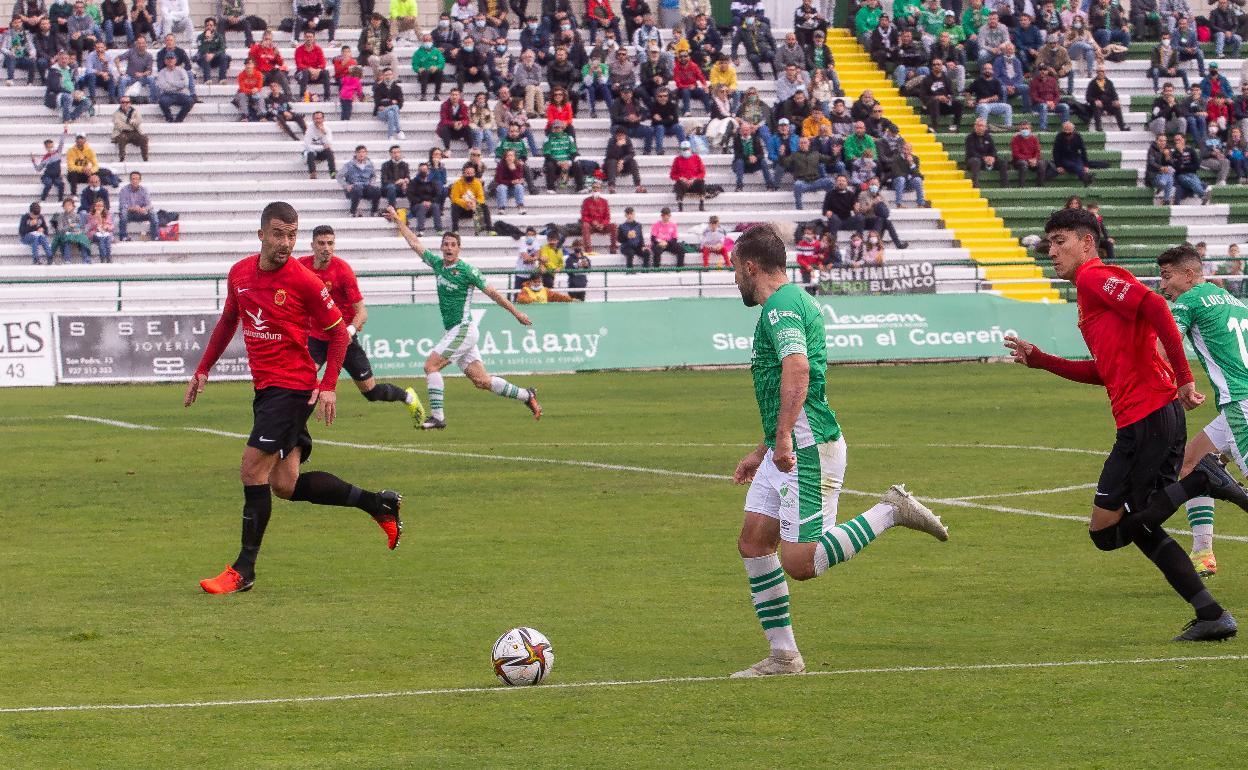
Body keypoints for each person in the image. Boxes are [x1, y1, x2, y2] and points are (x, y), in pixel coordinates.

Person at [1004, 208, 1245, 641]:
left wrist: (1184, 377)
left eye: (1060, 241)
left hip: (1148, 417)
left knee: (1115, 529)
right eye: (1049, 244)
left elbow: (1154, 305)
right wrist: (1041, 360)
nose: (1051, 252)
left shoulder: (1095, 277)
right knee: (1129, 526)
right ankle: (1210, 614)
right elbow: (1105, 371)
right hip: (1147, 417)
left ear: (1087, 243)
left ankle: (1203, 480)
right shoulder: (1092, 291)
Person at [729, 223, 947, 677]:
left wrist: (783, 439)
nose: (734, 279)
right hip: (787, 445)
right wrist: (764, 447)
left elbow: (798, 369)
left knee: (801, 562)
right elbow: (786, 382)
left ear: (750, 267)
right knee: (754, 542)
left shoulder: (781, 307)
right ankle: (784, 656)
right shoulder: (791, 302)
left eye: (734, 269)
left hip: (806, 447)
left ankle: (890, 511)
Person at [188, 202, 404, 595]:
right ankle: (378, 503)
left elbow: (338, 334)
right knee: (285, 485)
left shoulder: (305, 281)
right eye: (278, 234)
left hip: (292, 388)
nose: (286, 242)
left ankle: (243, 569)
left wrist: (329, 384)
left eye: (292, 235)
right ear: (261, 235)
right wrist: (203, 368)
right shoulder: (239, 274)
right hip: (267, 390)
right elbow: (228, 321)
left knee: (252, 469)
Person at [385, 210, 542, 430]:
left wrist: (516, 313)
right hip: (455, 331)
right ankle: (527, 395)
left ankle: (438, 417)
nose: (449, 248)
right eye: (446, 244)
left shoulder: (467, 271)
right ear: (441, 247)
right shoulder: (438, 265)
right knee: (482, 381)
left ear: (459, 248)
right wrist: (397, 220)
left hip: (463, 329)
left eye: (453, 245)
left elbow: (493, 293)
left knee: (431, 366)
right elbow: (415, 243)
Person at [297, 225, 425, 424]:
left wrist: (348, 331)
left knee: (371, 392)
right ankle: (295, 433)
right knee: (301, 383)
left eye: (330, 243)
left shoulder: (343, 270)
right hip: (316, 339)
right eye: (321, 243)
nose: (326, 248)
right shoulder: (301, 266)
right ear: (312, 245)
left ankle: (408, 397)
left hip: (344, 340)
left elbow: (362, 313)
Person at [541, 120, 585, 193]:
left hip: (567, 163)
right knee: (549, 165)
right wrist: (558, 162)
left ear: (563, 128)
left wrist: (568, 162)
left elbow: (574, 152)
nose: (557, 129)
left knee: (577, 164)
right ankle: (551, 188)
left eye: (559, 127)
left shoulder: (569, 137)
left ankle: (580, 188)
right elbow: (547, 154)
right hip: (555, 164)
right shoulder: (548, 138)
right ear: (552, 129)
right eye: (555, 128)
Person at [448, 162, 491, 234]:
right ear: (463, 173)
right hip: (462, 210)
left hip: (473, 209)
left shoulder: (477, 183)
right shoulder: (457, 183)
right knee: (454, 206)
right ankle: (455, 230)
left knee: (484, 206)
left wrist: (474, 203)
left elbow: (481, 198)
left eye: (472, 173)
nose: (470, 175)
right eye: (468, 173)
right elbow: (454, 198)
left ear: (474, 173)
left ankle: (489, 229)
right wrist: (465, 203)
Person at [341, 144, 382, 217]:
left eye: (363, 152)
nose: (361, 154)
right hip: (354, 188)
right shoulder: (349, 165)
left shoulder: (370, 164)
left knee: (377, 190)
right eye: (359, 152)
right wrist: (346, 185)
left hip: (366, 187)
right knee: (358, 189)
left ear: (366, 153)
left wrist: (372, 183)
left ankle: (374, 211)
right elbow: (339, 176)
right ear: (356, 153)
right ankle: (352, 211)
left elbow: (374, 176)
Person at [117, 170, 158, 241]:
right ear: (130, 180)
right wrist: (133, 208)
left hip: (141, 213)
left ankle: (155, 237)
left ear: (140, 180)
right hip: (130, 214)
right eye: (133, 179)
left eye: (137, 179)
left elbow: (149, 204)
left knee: (153, 213)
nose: (135, 181)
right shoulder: (124, 190)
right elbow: (122, 206)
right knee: (123, 212)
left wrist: (144, 209)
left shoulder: (144, 190)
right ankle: (123, 237)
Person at [1085, 65, 1127, 132]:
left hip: (1108, 104)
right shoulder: (1092, 83)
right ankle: (1098, 128)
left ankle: (1122, 127)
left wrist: (1116, 100)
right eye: (1099, 71)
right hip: (1098, 105)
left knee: (1117, 106)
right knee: (1096, 107)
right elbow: (1088, 97)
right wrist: (1095, 101)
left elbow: (1114, 94)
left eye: (1102, 71)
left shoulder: (1109, 82)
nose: (1100, 73)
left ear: (1105, 72)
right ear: (1096, 72)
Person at [603, 127, 644, 194]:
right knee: (612, 161)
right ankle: (611, 186)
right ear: (616, 135)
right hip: (612, 165)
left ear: (625, 135)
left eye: (622, 135)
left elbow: (631, 153)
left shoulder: (628, 140)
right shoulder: (611, 141)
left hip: (623, 165)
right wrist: (617, 146)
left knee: (633, 161)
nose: (620, 137)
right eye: (619, 136)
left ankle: (638, 185)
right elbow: (609, 155)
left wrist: (622, 161)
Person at [155, 51, 192, 122]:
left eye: (172, 58)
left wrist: (171, 83)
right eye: (168, 58)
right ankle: (169, 118)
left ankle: (179, 119)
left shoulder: (181, 70)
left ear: (175, 60)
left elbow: (185, 83)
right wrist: (178, 85)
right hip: (167, 95)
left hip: (180, 94)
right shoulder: (162, 72)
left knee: (190, 101)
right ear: (165, 61)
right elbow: (163, 86)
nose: (170, 60)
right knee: (162, 101)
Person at [50, 196, 90, 262]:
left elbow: (82, 227)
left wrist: (78, 231)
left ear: (73, 207)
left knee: (83, 238)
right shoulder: (61, 216)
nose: (67, 207)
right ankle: (67, 259)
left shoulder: (77, 216)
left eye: (69, 205)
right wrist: (69, 226)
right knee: (67, 239)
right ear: (63, 207)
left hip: (76, 234)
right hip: (66, 234)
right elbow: (60, 229)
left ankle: (86, 259)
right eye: (65, 205)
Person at [579, 180, 615, 254]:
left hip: (602, 226)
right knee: (585, 225)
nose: (595, 189)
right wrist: (592, 222)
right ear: (591, 189)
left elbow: (607, 217)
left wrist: (603, 224)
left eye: (597, 188)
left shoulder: (604, 201)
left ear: (600, 189)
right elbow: (584, 216)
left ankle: (613, 249)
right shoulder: (586, 201)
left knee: (614, 226)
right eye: (594, 187)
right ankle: (588, 250)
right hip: (591, 226)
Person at [669, 139, 706, 212]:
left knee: (701, 182)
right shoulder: (677, 160)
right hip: (683, 183)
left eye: (687, 149)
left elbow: (702, 172)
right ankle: (680, 205)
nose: (686, 151)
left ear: (690, 149)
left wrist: (695, 179)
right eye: (684, 149)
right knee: (678, 184)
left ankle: (701, 204)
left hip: (694, 182)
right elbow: (672, 175)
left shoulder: (696, 158)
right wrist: (681, 178)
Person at [31, 128, 66, 202]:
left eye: (51, 146)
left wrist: (65, 131)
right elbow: (38, 169)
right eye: (48, 147)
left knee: (61, 184)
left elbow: (62, 142)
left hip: (56, 176)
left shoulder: (58, 153)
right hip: (47, 176)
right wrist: (33, 161)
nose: (50, 149)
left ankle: (60, 200)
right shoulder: (45, 158)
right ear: (46, 148)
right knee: (48, 184)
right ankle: (43, 199)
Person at [293, 30, 329, 101]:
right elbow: (299, 65)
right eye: (307, 37)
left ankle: (327, 97)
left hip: (316, 74)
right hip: (303, 74)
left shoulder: (318, 49)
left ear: (314, 38)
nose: (309, 39)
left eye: (310, 37)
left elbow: (323, 63)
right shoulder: (299, 50)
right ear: (304, 38)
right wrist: (310, 69)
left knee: (326, 72)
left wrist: (318, 70)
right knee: (305, 72)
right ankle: (302, 96)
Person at [357, 13, 394, 81]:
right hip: (368, 56)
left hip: (381, 55)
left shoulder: (384, 31)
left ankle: (394, 79)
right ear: (371, 21)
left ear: (380, 22)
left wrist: (390, 46)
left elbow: (388, 48)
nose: (376, 24)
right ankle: (378, 80)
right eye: (374, 22)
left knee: (393, 56)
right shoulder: (365, 31)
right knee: (374, 59)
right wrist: (366, 47)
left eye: (377, 22)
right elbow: (359, 47)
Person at [195, 17, 230, 85]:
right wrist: (207, 41)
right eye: (207, 25)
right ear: (205, 27)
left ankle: (222, 79)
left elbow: (222, 49)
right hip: (204, 60)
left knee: (224, 56)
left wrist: (213, 54)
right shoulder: (200, 37)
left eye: (211, 25)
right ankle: (207, 80)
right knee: (205, 56)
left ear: (214, 27)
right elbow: (201, 50)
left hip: (216, 59)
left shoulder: (219, 36)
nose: (209, 27)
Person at [372, 66, 404, 140]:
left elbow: (400, 103)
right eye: (386, 75)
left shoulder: (397, 88)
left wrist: (385, 102)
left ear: (392, 75)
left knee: (391, 113)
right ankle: (399, 131)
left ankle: (390, 136)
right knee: (394, 107)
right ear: (383, 76)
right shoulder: (378, 87)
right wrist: (391, 102)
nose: (388, 76)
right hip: (381, 112)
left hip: (391, 111)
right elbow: (378, 102)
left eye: (390, 74)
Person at [412, 32, 445, 100]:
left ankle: (437, 95)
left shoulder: (437, 51)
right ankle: (423, 96)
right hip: (424, 75)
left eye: (429, 40)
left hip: (434, 75)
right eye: (425, 40)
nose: (427, 42)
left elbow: (442, 63)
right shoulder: (418, 53)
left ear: (432, 41)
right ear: (422, 41)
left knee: (440, 72)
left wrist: (436, 67)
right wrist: (419, 69)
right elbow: (415, 65)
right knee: (425, 72)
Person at [303, 110, 334, 179]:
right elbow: (307, 146)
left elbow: (328, 144)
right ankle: (313, 174)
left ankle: (333, 174)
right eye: (316, 119)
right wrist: (322, 147)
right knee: (310, 152)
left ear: (323, 119)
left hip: (321, 153)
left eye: (320, 118)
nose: (318, 121)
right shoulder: (309, 130)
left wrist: (324, 133)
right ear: (313, 119)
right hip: (311, 153)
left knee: (329, 152)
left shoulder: (327, 129)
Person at [64, 132, 96, 197]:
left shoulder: (90, 150)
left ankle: (95, 194)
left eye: (82, 138)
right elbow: (70, 166)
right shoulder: (71, 151)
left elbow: (95, 165)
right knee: (72, 173)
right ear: (75, 140)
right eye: (78, 138)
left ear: (85, 140)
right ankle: (74, 194)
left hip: (86, 174)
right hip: (75, 175)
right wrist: (82, 168)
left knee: (96, 174)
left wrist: (91, 170)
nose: (80, 140)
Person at [86, 197, 113, 263]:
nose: (99, 208)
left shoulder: (107, 215)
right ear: (94, 207)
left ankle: (108, 257)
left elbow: (111, 226)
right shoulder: (90, 215)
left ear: (103, 207)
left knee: (107, 239)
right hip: (94, 233)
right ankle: (103, 258)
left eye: (101, 206)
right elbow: (89, 227)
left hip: (105, 233)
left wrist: (106, 227)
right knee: (101, 239)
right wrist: (96, 218)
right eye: (97, 206)